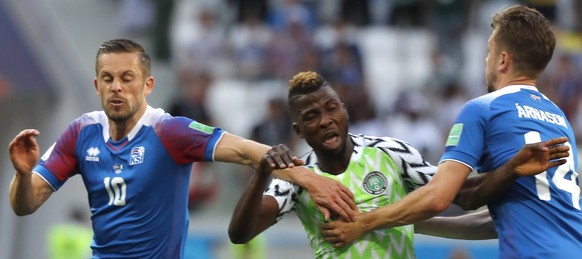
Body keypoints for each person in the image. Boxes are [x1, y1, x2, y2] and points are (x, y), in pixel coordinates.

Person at [8, 39, 358, 258]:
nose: (117, 87)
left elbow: (247, 152)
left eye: (127, 78)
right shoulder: (80, 133)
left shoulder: (169, 131)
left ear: (147, 85)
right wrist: (23, 175)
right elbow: (24, 205)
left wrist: (312, 180)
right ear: (96, 85)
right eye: (108, 79)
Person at [319, 6, 582, 258]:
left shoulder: (483, 109)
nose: (486, 60)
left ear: (503, 59)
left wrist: (364, 222)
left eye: (489, 50)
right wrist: (406, 222)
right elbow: (500, 220)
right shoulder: (559, 119)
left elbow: (438, 196)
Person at [228, 71, 570, 258]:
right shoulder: (297, 177)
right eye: (312, 116)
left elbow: (463, 194)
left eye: (332, 108)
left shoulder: (390, 153)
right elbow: (240, 234)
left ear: (344, 109)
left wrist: (512, 167)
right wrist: (261, 171)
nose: (326, 120)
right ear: (298, 130)